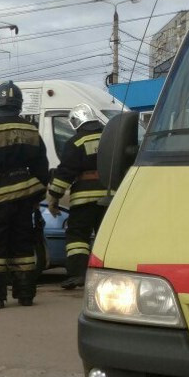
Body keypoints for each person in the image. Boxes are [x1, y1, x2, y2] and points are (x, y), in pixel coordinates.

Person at [0, 81, 50, 308]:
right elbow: (43, 171)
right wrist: (30, 194)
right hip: (25, 201)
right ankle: (25, 294)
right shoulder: (32, 130)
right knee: (23, 245)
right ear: (19, 105)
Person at [47, 105, 109, 289]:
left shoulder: (76, 143)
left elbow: (66, 172)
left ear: (75, 123)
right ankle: (109, 274)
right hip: (111, 197)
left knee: (77, 236)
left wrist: (54, 197)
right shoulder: (111, 140)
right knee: (105, 237)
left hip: (84, 199)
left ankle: (78, 274)